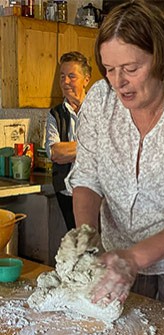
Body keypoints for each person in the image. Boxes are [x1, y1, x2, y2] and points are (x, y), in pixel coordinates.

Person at [66, 0, 164, 305]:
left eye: (131, 69)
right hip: (116, 259)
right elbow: (87, 179)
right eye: (110, 69)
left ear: (160, 59)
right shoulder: (101, 101)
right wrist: (87, 236)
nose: (119, 82)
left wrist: (135, 258)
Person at [45, 51, 92, 231]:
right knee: (77, 244)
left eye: (71, 76)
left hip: (97, 193)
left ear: (86, 79)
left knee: (98, 246)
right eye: (62, 76)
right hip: (66, 192)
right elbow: (55, 153)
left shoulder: (99, 111)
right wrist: (92, 148)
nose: (65, 82)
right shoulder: (55, 114)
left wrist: (71, 151)